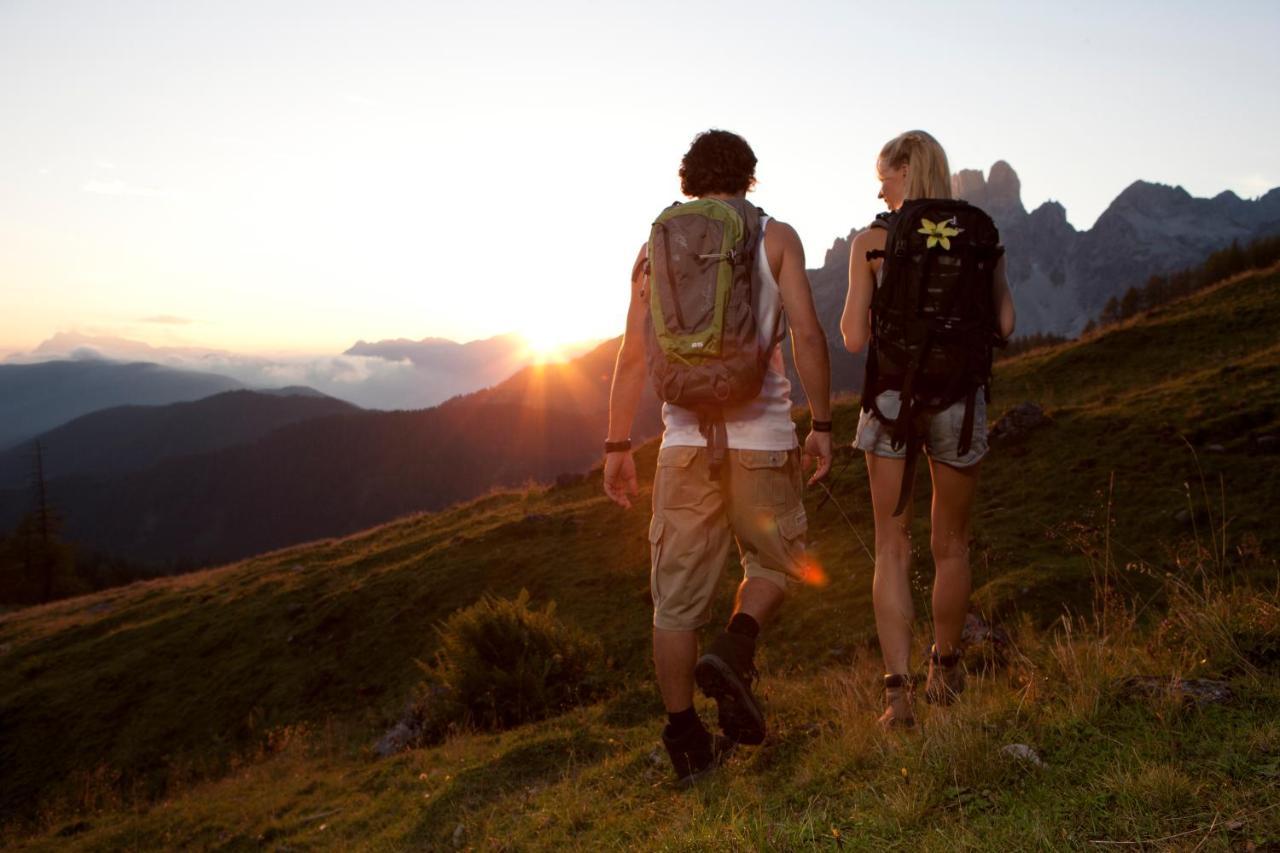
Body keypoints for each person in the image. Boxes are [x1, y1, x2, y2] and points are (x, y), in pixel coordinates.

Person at [603, 129, 834, 783]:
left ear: (688, 179)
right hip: (762, 438)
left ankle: (685, 739)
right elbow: (809, 336)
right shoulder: (774, 236)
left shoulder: (652, 247)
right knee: (779, 564)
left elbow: (629, 355)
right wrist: (821, 421)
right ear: (748, 176)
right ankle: (737, 644)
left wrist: (618, 443)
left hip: (682, 443)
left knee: (673, 605)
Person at [839, 130, 1016, 728]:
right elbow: (1007, 323)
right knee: (952, 546)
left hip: (892, 403)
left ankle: (898, 699)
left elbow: (854, 338)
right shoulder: (981, 236)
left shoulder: (871, 241)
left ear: (907, 170)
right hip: (959, 404)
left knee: (892, 547)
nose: (879, 185)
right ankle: (945, 670)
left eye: (885, 174)